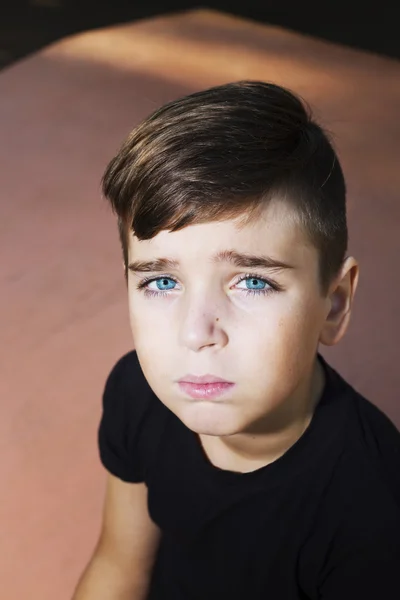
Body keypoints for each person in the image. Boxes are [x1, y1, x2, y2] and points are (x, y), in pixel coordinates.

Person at [72, 81, 400, 600]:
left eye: (252, 281)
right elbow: (119, 563)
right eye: (161, 281)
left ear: (332, 305)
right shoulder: (136, 391)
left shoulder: (376, 510)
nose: (195, 333)